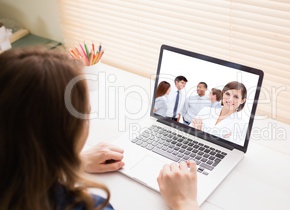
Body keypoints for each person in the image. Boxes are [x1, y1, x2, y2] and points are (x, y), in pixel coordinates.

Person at [0, 47, 199, 210]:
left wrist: (72, 162)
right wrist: (185, 203)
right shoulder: (89, 206)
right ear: (62, 135)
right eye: (85, 115)